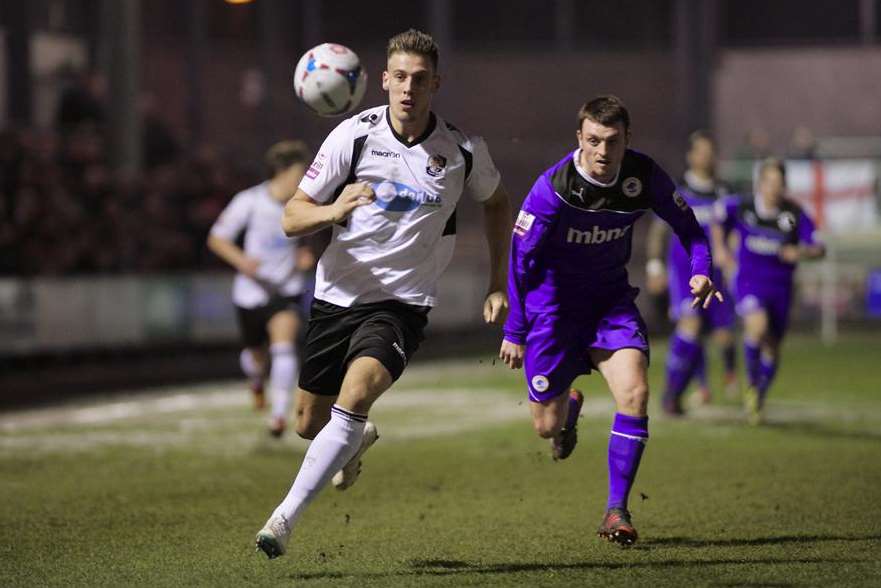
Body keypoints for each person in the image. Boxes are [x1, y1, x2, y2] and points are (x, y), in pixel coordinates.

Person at [255, 29, 511, 559]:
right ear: (385, 80)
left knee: (351, 400)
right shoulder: (352, 136)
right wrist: (333, 210)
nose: (409, 89)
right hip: (336, 295)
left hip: (402, 304)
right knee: (309, 423)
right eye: (400, 78)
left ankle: (283, 520)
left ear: (435, 84)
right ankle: (356, 437)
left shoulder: (463, 150)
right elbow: (291, 216)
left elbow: (497, 202)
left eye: (421, 80)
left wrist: (497, 282)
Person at [499, 95, 721, 547]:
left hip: (610, 304)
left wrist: (701, 269)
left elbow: (690, 228)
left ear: (627, 140)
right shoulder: (553, 189)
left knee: (636, 392)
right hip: (553, 312)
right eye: (594, 140)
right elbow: (520, 262)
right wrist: (514, 331)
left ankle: (616, 509)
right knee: (546, 427)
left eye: (612, 141)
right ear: (579, 138)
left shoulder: (643, 175)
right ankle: (569, 412)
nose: (603, 151)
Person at [207, 140, 315, 437]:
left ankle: (279, 415)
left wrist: (304, 256)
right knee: (255, 357)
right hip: (251, 293)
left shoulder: (302, 204)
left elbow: (310, 240)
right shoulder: (250, 201)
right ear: (281, 172)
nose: (304, 179)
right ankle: (256, 379)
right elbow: (217, 238)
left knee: (283, 346)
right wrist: (242, 262)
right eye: (299, 173)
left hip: (285, 290)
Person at [717, 158, 824, 425]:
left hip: (781, 288)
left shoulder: (794, 214)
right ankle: (752, 384)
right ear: (760, 183)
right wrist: (720, 250)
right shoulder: (742, 206)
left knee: (773, 347)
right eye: (770, 182)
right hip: (749, 282)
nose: (774, 188)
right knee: (757, 327)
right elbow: (718, 217)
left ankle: (757, 396)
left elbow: (819, 248)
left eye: (780, 183)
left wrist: (799, 251)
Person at [645, 130, 738, 414]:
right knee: (691, 327)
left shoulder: (725, 193)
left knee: (720, 335)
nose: (706, 157)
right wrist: (655, 266)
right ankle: (671, 395)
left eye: (710, 152)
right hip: (684, 271)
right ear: (690, 156)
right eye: (701, 151)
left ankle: (690, 389)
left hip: (716, 274)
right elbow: (659, 232)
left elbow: (736, 232)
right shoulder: (678, 190)